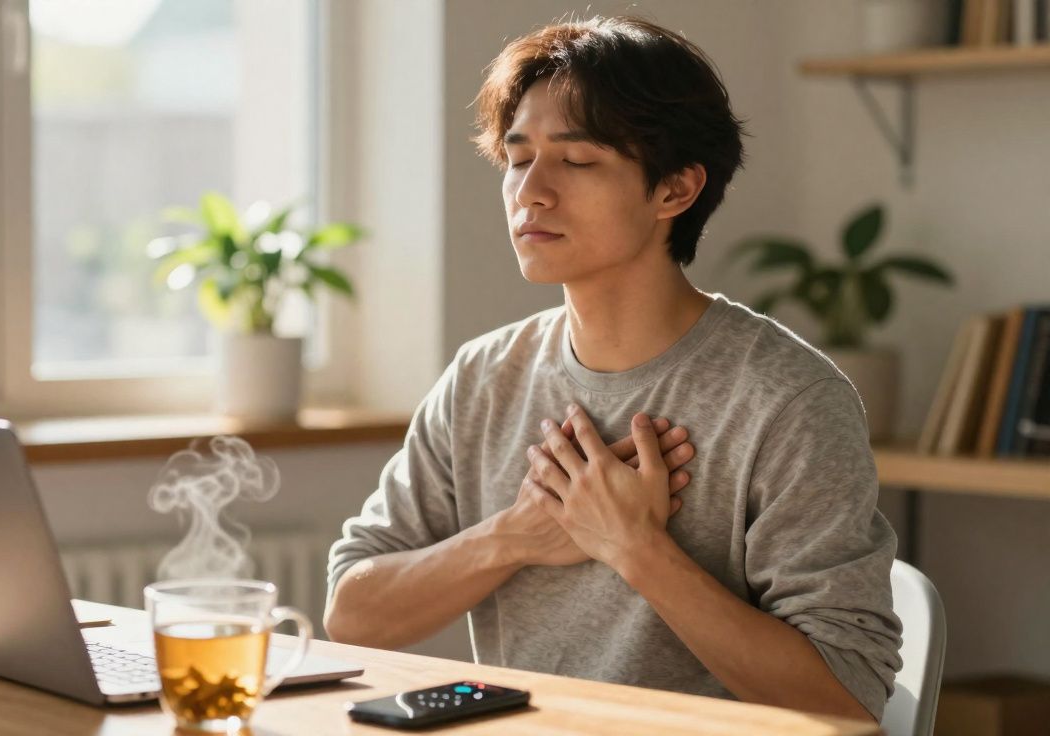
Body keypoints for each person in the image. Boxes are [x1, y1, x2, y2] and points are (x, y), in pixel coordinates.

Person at [324, 16, 902, 722]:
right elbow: (352, 613)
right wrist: (516, 536)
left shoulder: (789, 400)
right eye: (517, 157)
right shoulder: (484, 377)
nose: (529, 192)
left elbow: (848, 699)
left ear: (674, 191)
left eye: (576, 161)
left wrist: (634, 548)